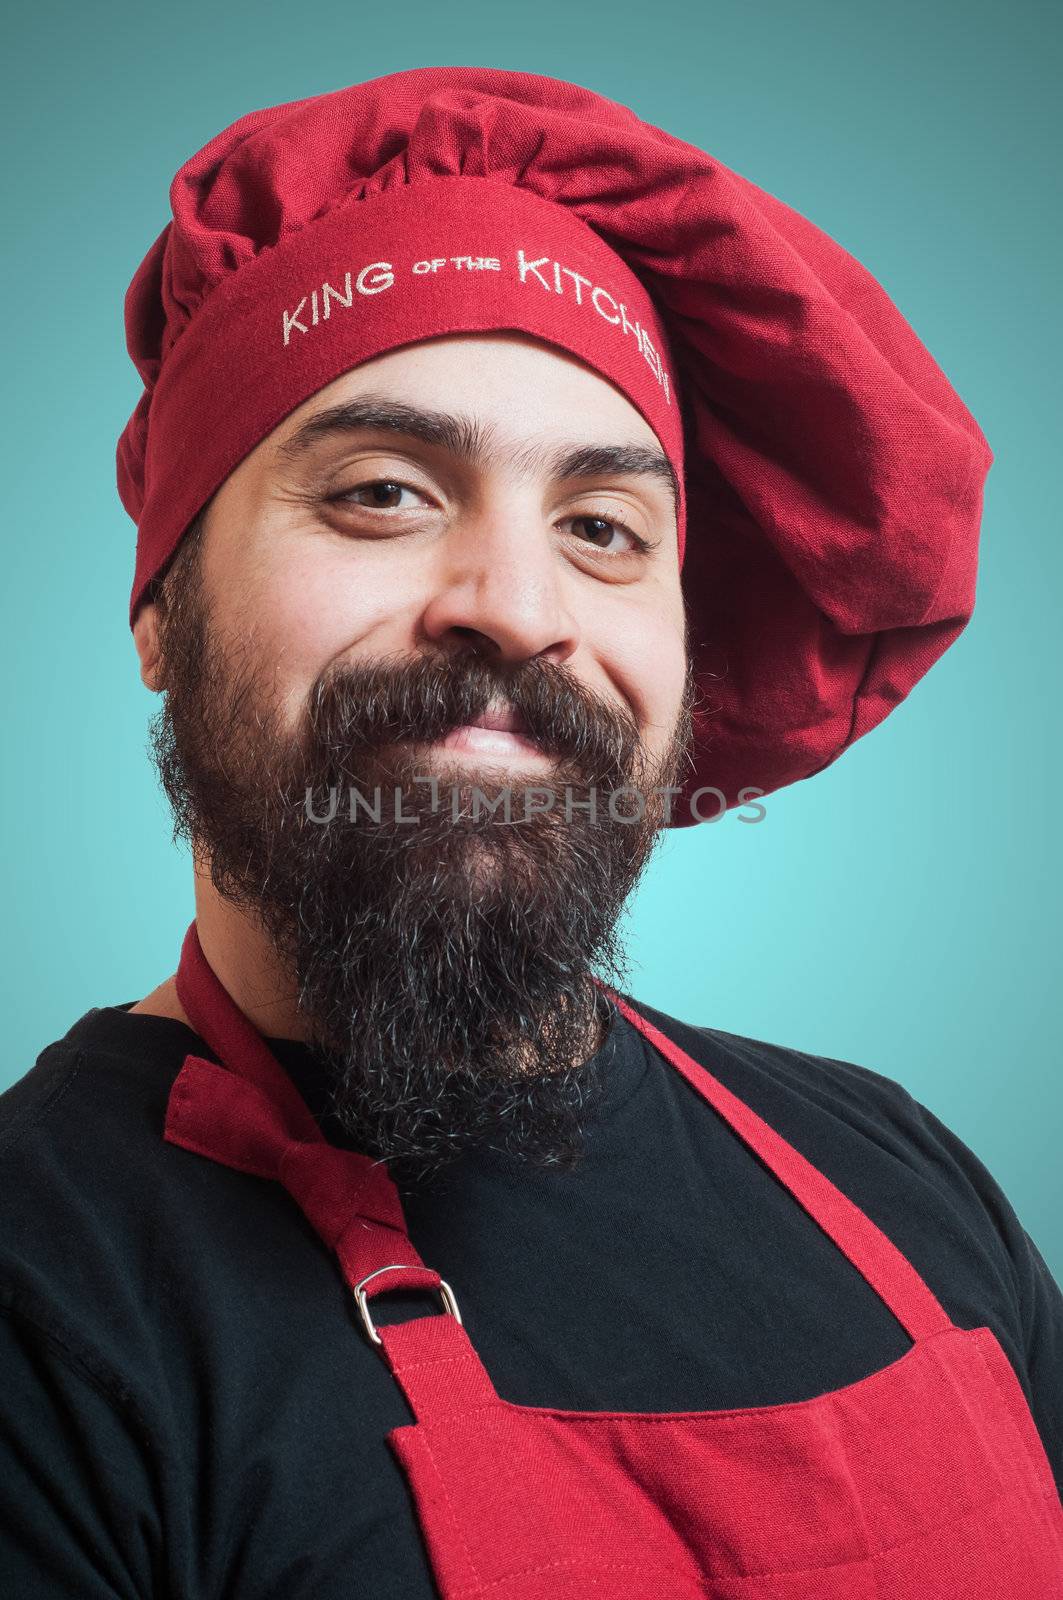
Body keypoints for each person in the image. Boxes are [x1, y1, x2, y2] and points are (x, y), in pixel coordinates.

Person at [1, 66, 1060, 1598]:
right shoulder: (48, 1297)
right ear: (164, 609)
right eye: (382, 491)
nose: (516, 606)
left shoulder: (896, 1171)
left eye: (604, 530)